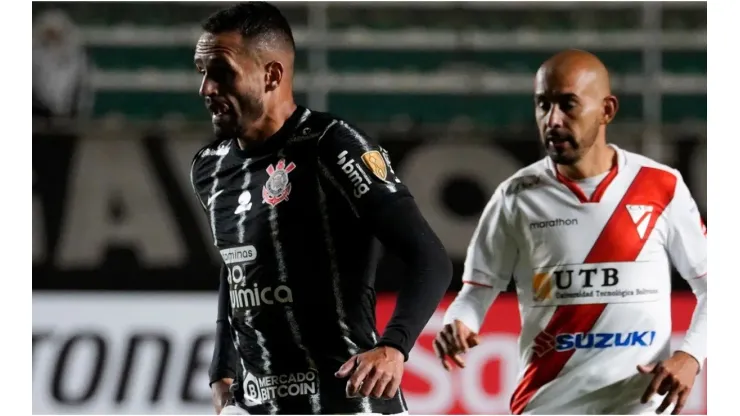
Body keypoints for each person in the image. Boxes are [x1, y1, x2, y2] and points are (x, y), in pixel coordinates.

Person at [188, 2, 452, 415]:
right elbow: (237, 263)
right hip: (257, 405)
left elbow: (430, 257)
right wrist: (222, 364)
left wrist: (394, 346)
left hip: (345, 402)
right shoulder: (210, 167)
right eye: (202, 72)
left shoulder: (332, 145)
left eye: (221, 73)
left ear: (271, 75)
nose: (206, 88)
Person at [434, 49, 706, 415]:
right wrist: (458, 322)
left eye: (568, 104)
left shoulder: (660, 185)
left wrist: (690, 356)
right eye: (542, 105)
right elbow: (476, 293)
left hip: (638, 404)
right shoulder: (515, 196)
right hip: (547, 404)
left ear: (607, 110)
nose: (553, 119)